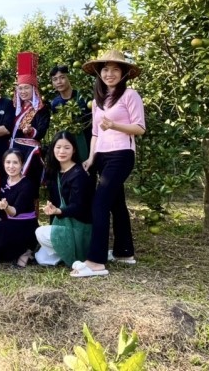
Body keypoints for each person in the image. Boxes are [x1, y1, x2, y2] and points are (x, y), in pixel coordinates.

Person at [71, 50, 145, 278]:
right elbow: (95, 133)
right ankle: (124, 252)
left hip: (121, 154)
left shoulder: (130, 95)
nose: (109, 74)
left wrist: (114, 125)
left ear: (123, 74)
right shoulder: (97, 102)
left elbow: (139, 128)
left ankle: (96, 262)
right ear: (99, 73)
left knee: (99, 204)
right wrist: (91, 157)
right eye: (105, 69)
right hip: (102, 156)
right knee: (116, 203)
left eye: (115, 69)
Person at [35, 131, 94, 267]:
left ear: (74, 150)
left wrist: (59, 211)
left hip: (78, 228)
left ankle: (74, 252)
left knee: (40, 232)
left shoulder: (79, 174)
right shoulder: (54, 172)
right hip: (63, 225)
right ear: (53, 149)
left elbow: (80, 207)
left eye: (67, 147)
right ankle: (63, 253)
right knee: (41, 259)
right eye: (58, 147)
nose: (62, 151)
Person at [0, 150, 38, 267]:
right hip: (9, 222)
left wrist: (6, 207)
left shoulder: (27, 185)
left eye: (15, 163)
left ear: (22, 165)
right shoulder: (4, 181)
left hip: (25, 225)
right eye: (8, 162)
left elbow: (14, 212)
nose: (11, 166)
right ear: (3, 163)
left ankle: (27, 250)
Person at [10, 52, 51, 195]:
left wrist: (31, 130)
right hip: (13, 153)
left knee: (29, 189)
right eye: (20, 88)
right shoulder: (14, 108)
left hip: (31, 155)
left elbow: (41, 130)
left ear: (33, 89)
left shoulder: (41, 109)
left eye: (26, 88)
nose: (23, 91)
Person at [49, 65, 92, 161]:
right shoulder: (55, 103)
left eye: (62, 77)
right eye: (55, 79)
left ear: (69, 78)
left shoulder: (83, 97)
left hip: (87, 143)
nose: (59, 82)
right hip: (68, 146)